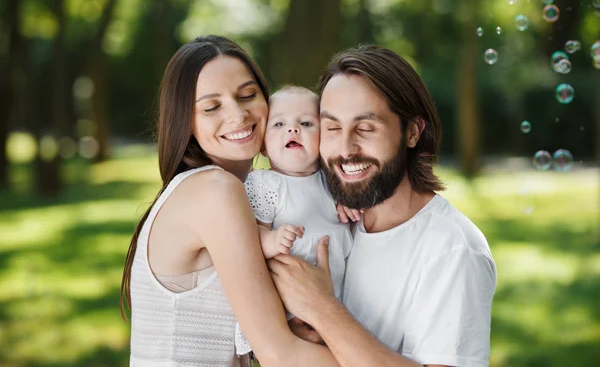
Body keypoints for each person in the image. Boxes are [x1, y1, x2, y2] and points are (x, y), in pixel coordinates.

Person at [267, 44, 497, 367]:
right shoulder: (337, 221)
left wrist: (322, 309)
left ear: (413, 132)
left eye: (365, 128)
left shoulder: (452, 249)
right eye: (332, 127)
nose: (345, 149)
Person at [119, 35, 339, 367]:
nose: (237, 114)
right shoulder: (216, 190)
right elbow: (280, 355)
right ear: (185, 122)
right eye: (211, 107)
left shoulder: (241, 192)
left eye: (248, 95)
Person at [234, 86, 353, 355]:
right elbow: (250, 239)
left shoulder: (332, 182)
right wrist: (273, 239)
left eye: (307, 123)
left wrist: (348, 204)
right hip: (288, 305)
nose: (293, 129)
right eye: (279, 124)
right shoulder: (265, 184)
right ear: (263, 146)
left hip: (337, 301)